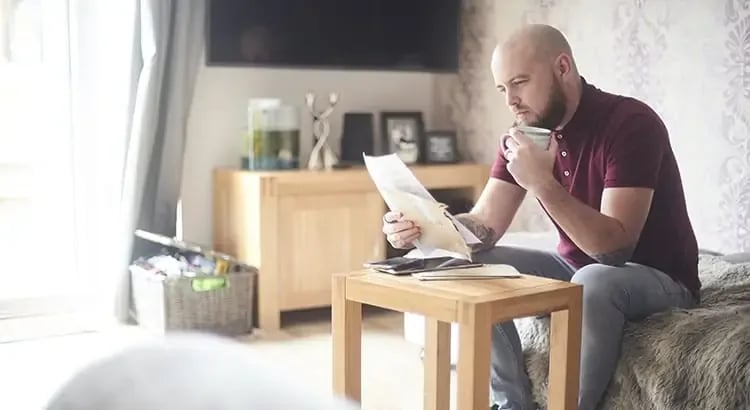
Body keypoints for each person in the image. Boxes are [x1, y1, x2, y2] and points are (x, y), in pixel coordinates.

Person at [381, 24, 700, 410]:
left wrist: (542, 184)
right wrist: (425, 228)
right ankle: (512, 402)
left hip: (658, 276)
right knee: (469, 263)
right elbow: (485, 225)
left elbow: (614, 250)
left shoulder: (631, 123)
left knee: (595, 280)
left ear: (562, 67)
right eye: (503, 90)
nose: (511, 101)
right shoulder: (524, 135)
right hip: (575, 267)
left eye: (519, 83)